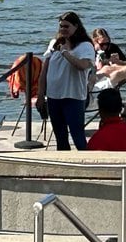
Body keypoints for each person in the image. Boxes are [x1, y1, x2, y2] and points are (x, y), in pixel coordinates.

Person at [37, 11, 95, 150]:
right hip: (54, 96)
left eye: (66, 26)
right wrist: (40, 94)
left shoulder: (85, 46)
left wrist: (65, 53)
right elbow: (45, 70)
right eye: (61, 26)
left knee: (77, 135)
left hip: (73, 97)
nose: (63, 29)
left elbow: (82, 66)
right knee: (60, 136)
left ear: (76, 26)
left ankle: (86, 163)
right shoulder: (54, 43)